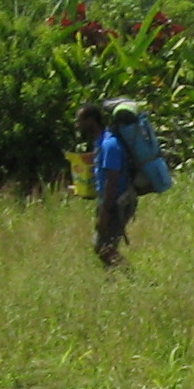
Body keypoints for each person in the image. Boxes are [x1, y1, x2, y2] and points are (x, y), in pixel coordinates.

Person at [78, 102, 138, 269]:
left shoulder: (109, 144)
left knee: (103, 248)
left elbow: (113, 180)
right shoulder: (100, 143)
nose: (78, 125)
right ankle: (113, 282)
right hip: (110, 202)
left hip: (117, 203)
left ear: (91, 120)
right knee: (105, 247)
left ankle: (134, 278)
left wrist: (105, 211)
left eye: (80, 121)